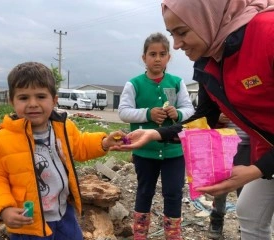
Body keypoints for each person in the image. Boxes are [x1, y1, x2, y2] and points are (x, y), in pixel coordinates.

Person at [116, 1, 274, 239]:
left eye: (182, 32)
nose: (177, 45)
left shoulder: (267, 33)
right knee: (249, 212)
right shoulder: (210, 60)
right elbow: (204, 118)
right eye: (173, 34)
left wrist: (256, 170)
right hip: (268, 149)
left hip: (266, 158)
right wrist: (156, 133)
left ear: (209, 17)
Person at [0, 62, 125, 240]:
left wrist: (103, 142)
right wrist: (4, 209)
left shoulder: (63, 127)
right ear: (12, 101)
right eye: (24, 98)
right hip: (28, 224)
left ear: (54, 100)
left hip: (64, 215)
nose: (33, 104)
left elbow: (80, 145)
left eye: (41, 96)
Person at [118, 32, 195, 240]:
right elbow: (123, 112)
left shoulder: (177, 83)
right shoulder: (134, 84)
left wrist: (177, 114)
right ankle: (140, 235)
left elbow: (190, 110)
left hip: (174, 151)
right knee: (144, 192)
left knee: (173, 193)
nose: (157, 58)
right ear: (144, 58)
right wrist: (147, 113)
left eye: (162, 54)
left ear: (169, 57)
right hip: (145, 151)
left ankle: (172, 236)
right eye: (152, 54)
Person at [208, 113, 251, 239]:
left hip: (249, 146)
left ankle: (247, 224)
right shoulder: (224, 95)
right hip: (223, 144)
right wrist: (217, 118)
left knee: (246, 189)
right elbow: (205, 116)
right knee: (221, 186)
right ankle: (217, 218)